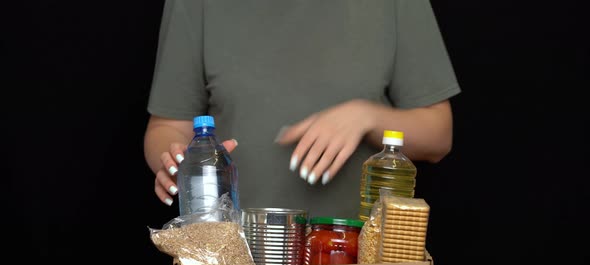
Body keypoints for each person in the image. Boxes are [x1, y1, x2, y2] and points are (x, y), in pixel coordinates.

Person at [143, 0, 461, 219]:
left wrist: (368, 117)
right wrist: (175, 161)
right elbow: (168, 127)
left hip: (360, 263)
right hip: (229, 262)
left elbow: (438, 135)